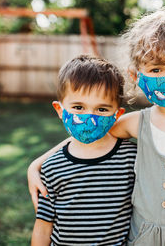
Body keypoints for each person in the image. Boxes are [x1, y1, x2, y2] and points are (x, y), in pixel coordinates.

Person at [28, 6, 165, 246]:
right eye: (156, 69)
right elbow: (90, 131)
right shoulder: (137, 122)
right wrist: (37, 164)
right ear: (135, 75)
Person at [30, 55, 137, 246]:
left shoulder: (130, 157)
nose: (89, 117)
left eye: (102, 110)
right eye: (78, 107)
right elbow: (43, 226)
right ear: (60, 110)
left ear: (117, 115)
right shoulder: (51, 167)